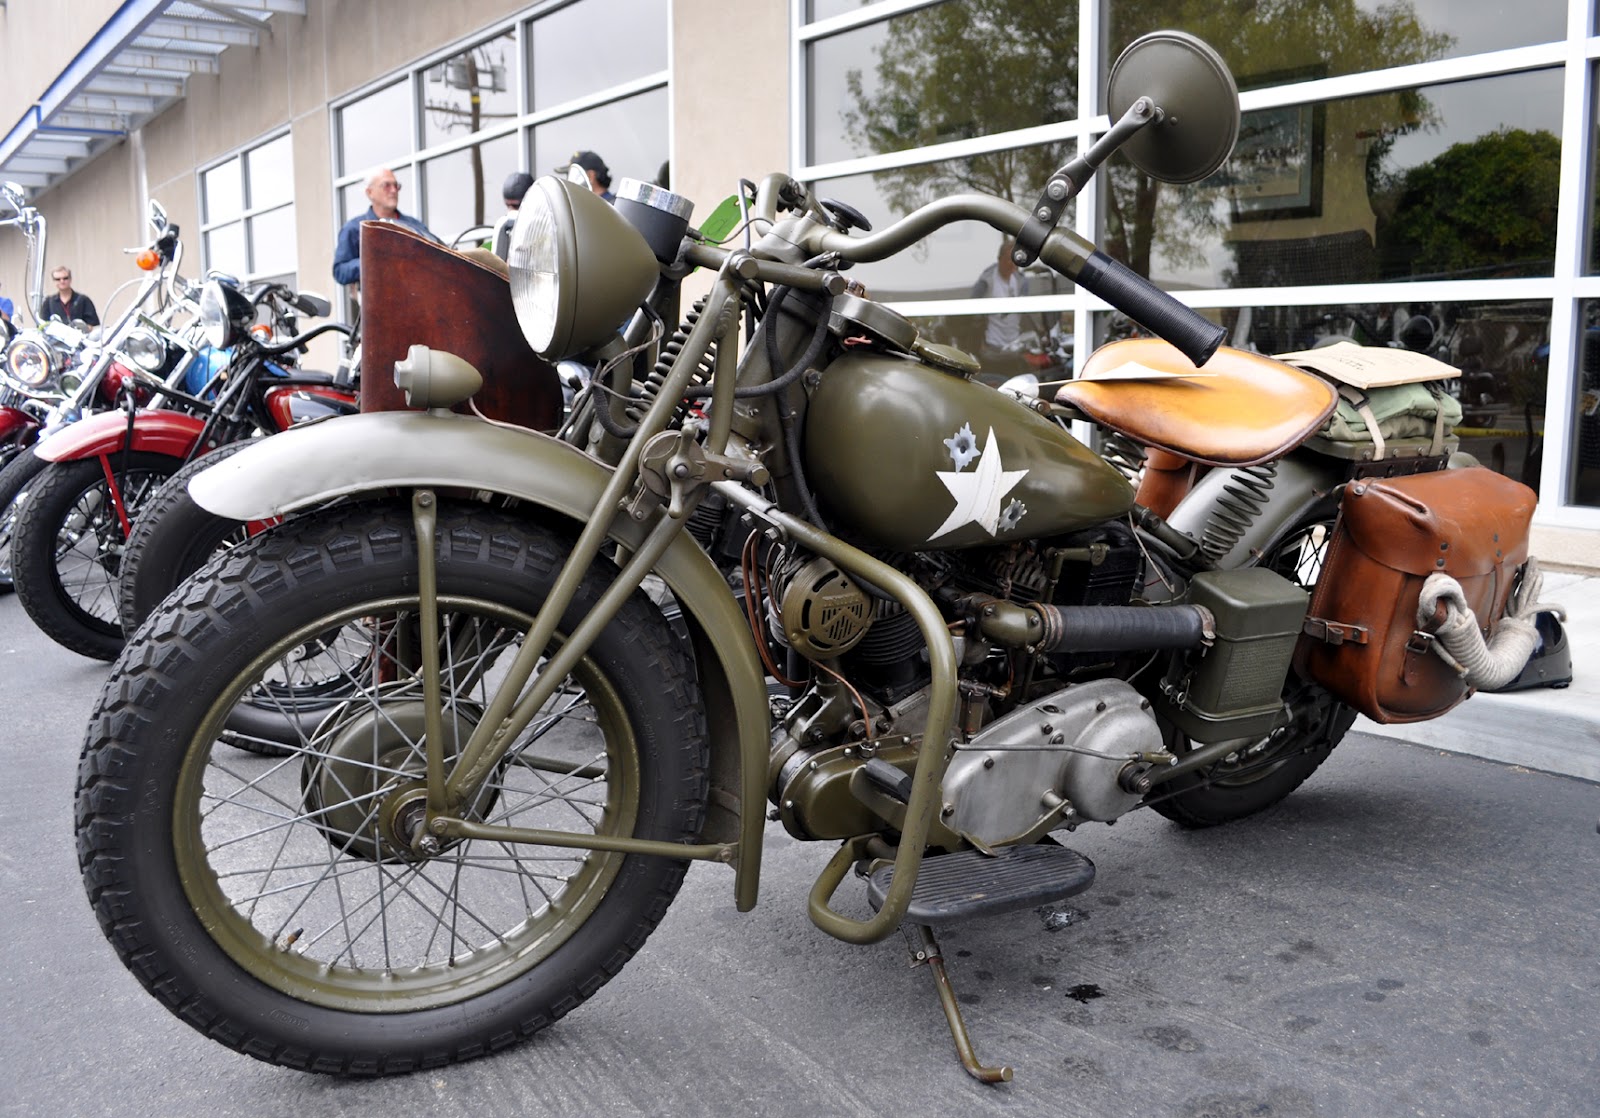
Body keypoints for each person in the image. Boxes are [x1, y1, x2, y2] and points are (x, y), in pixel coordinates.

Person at [332, 168, 439, 288]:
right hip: (376, 297)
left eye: (396, 186)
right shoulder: (355, 228)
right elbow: (340, 271)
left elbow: (434, 260)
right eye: (386, 186)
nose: (393, 190)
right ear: (370, 192)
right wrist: (373, 261)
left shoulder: (415, 226)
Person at [492, 170, 534, 261]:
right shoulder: (504, 225)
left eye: (516, 206)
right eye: (508, 205)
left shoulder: (543, 227)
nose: (511, 211)